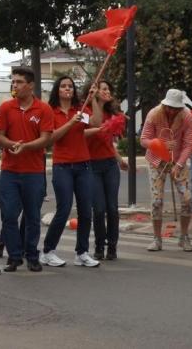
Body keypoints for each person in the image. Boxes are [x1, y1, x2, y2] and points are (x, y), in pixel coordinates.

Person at [0, 67, 53, 272]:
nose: (14, 85)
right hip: (9, 171)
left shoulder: (43, 109)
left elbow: (46, 138)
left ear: (30, 85)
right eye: (13, 82)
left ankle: (32, 255)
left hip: (34, 172)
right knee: (9, 215)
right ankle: (14, 256)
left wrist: (26, 146)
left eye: (19, 82)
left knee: (32, 216)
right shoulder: (6, 107)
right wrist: (11, 144)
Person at [40, 76, 102, 268]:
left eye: (70, 86)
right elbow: (51, 139)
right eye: (63, 86)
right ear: (57, 90)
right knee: (64, 208)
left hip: (83, 165)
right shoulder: (51, 112)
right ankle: (48, 251)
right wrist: (69, 124)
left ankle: (82, 252)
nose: (67, 89)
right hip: (63, 166)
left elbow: (96, 122)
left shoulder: (79, 111)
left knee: (85, 210)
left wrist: (93, 100)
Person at [140, 88, 192, 252]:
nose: (171, 111)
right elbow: (144, 140)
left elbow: (188, 144)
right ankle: (157, 238)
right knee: (157, 201)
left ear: (180, 108)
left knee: (187, 199)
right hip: (157, 160)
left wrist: (178, 165)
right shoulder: (154, 114)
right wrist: (160, 144)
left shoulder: (187, 117)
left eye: (175, 108)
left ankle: (184, 236)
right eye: (168, 107)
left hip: (179, 160)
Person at [84, 80, 127, 261]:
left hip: (109, 165)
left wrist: (119, 160)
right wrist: (94, 101)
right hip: (92, 165)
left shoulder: (113, 114)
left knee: (112, 208)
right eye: (103, 89)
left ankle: (113, 246)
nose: (107, 91)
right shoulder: (85, 111)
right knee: (99, 209)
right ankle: (99, 246)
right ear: (93, 91)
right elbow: (94, 125)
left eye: (108, 89)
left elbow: (108, 142)